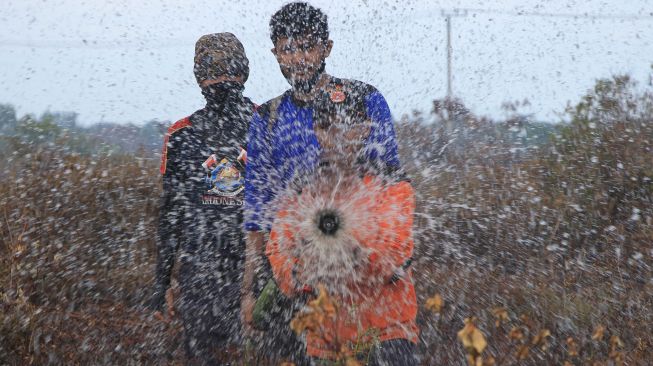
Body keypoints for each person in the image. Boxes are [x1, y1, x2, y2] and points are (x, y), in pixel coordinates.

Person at [241, 0, 403, 332]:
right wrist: (248, 288)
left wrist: (385, 260)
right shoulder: (267, 118)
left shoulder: (363, 100)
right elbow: (257, 207)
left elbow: (391, 185)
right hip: (291, 270)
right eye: (288, 49)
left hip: (362, 267)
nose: (298, 59)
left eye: (307, 47)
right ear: (275, 53)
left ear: (326, 47)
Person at [265, 111, 419, 365]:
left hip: (387, 334)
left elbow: (393, 258)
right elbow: (278, 253)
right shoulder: (303, 190)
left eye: (346, 127)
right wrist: (300, 276)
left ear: (363, 132)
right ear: (316, 131)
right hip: (325, 339)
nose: (334, 137)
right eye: (325, 127)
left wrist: (343, 250)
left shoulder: (389, 184)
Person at [148, 32, 255, 365]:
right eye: (211, 69)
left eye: (229, 69)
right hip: (199, 274)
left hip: (255, 271)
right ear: (199, 77)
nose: (221, 78)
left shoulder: (268, 123)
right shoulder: (181, 134)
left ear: (244, 73)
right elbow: (171, 213)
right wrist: (162, 281)